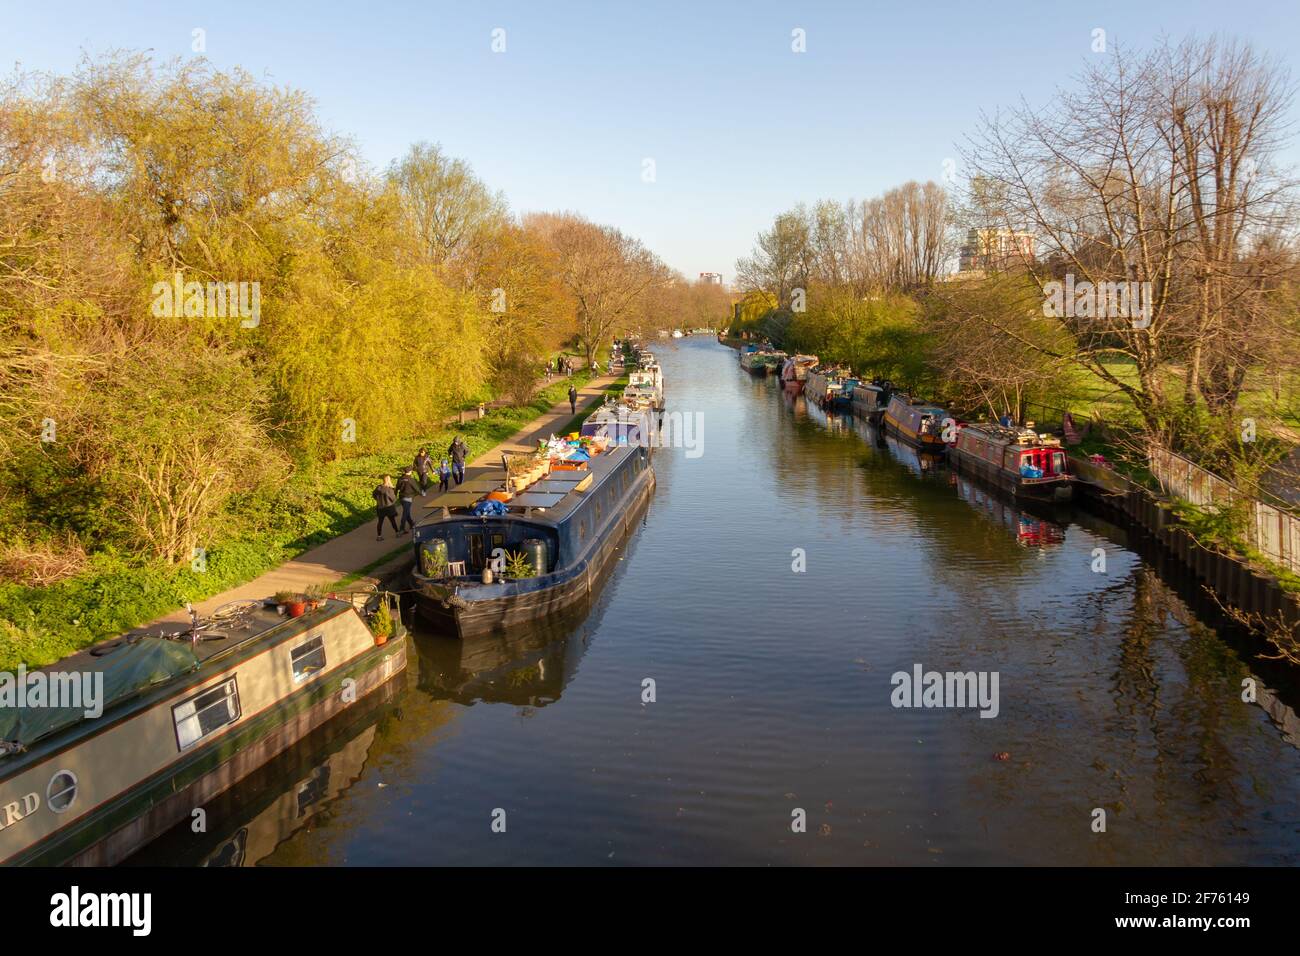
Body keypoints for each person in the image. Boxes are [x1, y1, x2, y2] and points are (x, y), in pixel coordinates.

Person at [373, 475, 399, 541]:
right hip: (388, 507)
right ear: (389, 480)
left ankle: (379, 536)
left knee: (380, 522)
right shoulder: (389, 489)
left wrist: (378, 500)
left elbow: (374, 495)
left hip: (380, 507)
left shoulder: (378, 488)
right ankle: (397, 532)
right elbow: (393, 499)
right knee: (392, 521)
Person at [396, 469, 421, 534]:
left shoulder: (400, 479)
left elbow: (397, 488)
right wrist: (420, 493)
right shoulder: (411, 480)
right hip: (408, 498)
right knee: (405, 513)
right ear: (410, 472)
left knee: (406, 511)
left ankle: (411, 523)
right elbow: (416, 488)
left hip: (401, 497)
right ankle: (402, 528)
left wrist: (395, 495)